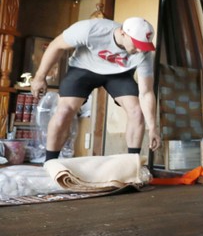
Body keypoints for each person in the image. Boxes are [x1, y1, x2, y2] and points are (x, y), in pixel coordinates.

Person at [30, 17, 161, 160]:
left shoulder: (143, 53)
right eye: (137, 44)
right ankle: (50, 162)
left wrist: (153, 127)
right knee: (63, 112)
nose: (140, 49)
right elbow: (56, 45)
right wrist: (39, 77)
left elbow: (146, 93)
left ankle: (132, 165)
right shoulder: (91, 29)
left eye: (144, 45)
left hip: (119, 73)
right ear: (123, 33)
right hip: (84, 67)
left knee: (137, 111)